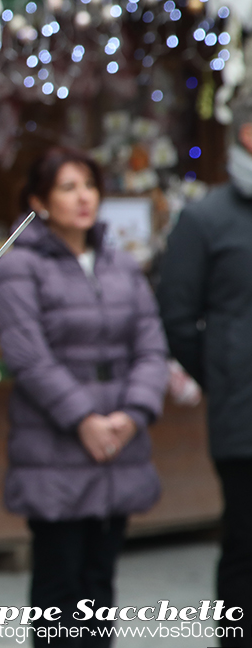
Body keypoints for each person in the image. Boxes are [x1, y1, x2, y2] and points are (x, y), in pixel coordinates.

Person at [0, 147, 168, 648]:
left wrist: (132, 415)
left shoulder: (120, 264)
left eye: (89, 184)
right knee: (59, 590)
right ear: (39, 200)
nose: (83, 196)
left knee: (100, 585)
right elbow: (28, 357)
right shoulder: (20, 265)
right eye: (68, 187)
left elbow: (151, 346)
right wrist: (85, 418)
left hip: (119, 441)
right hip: (57, 445)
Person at [158, 96, 252, 647]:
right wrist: (226, 373)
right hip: (243, 421)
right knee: (246, 548)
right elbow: (176, 318)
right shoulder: (205, 219)